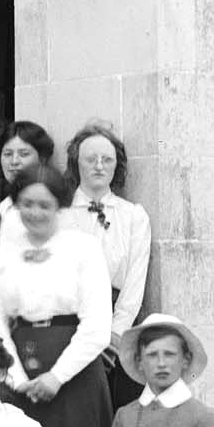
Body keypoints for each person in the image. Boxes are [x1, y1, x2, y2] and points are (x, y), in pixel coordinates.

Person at [0, 163, 113, 427]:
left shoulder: (84, 248)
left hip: (76, 371)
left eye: (44, 205)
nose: (34, 213)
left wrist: (57, 376)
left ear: (59, 207)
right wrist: (18, 380)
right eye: (26, 204)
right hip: (20, 369)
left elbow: (97, 326)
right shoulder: (1, 255)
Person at [62, 121, 153, 409]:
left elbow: (135, 280)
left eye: (107, 160)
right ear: (77, 164)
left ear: (117, 165)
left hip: (119, 328)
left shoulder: (133, 216)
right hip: (71, 323)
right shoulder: (60, 215)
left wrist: (115, 334)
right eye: (91, 159)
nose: (99, 166)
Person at [0, 119, 56, 233]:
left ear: (42, 159)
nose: (14, 161)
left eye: (24, 154)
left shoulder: (54, 203)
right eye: (8, 154)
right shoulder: (3, 207)